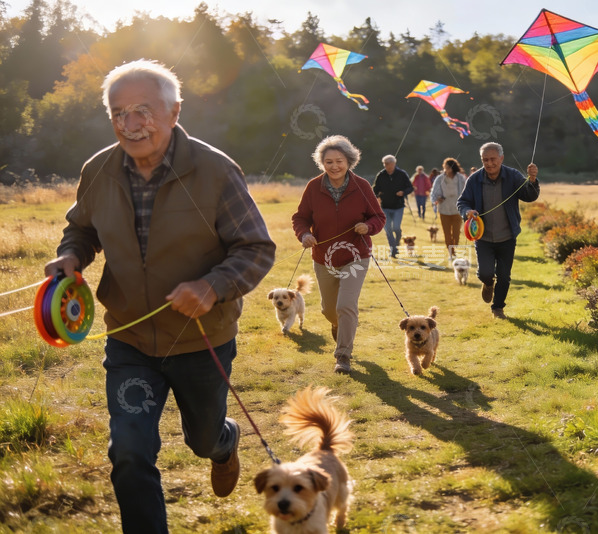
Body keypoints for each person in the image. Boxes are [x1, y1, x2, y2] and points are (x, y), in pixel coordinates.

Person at [43, 60, 276, 533]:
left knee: (202, 440)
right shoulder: (98, 169)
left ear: (174, 112)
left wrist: (212, 286)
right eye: (119, 113)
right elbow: (81, 229)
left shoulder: (215, 170)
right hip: (129, 341)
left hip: (201, 340)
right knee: (129, 452)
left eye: (144, 111)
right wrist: (71, 256)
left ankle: (223, 444)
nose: (130, 124)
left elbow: (256, 248)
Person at [293, 135, 386, 374]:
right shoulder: (313, 187)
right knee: (329, 309)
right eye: (329, 162)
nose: (334, 166)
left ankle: (343, 356)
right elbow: (300, 218)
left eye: (339, 161)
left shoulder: (362, 186)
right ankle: (338, 324)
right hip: (323, 257)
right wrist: (304, 234)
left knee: (346, 305)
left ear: (349, 161)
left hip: (356, 256)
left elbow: (378, 216)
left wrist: (368, 226)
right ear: (322, 163)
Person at [457, 142, 539, 319]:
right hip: (483, 237)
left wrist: (532, 180)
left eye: (493, 159)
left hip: (507, 237)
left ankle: (498, 308)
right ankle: (488, 283)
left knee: (504, 276)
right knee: (485, 273)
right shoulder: (474, 179)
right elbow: (462, 202)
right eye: (485, 160)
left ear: (501, 158)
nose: (489, 163)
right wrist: (467, 211)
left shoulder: (512, 176)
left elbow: (529, 196)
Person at [372, 154, 413, 258]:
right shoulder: (381, 175)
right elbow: (375, 188)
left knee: (396, 228)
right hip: (385, 207)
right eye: (385, 164)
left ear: (394, 163)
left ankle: (397, 241)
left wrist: (403, 192)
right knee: (388, 229)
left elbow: (410, 187)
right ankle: (393, 250)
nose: (388, 166)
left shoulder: (402, 174)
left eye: (389, 164)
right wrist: (377, 196)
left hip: (398, 207)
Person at [430, 157, 467, 261]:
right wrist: (436, 199)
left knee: (456, 234)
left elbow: (466, 191)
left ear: (452, 168)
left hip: (457, 209)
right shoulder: (440, 178)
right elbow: (434, 192)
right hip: (444, 209)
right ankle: (451, 253)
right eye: (444, 167)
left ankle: (454, 247)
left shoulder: (461, 178)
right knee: (447, 234)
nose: (445, 169)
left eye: (447, 167)